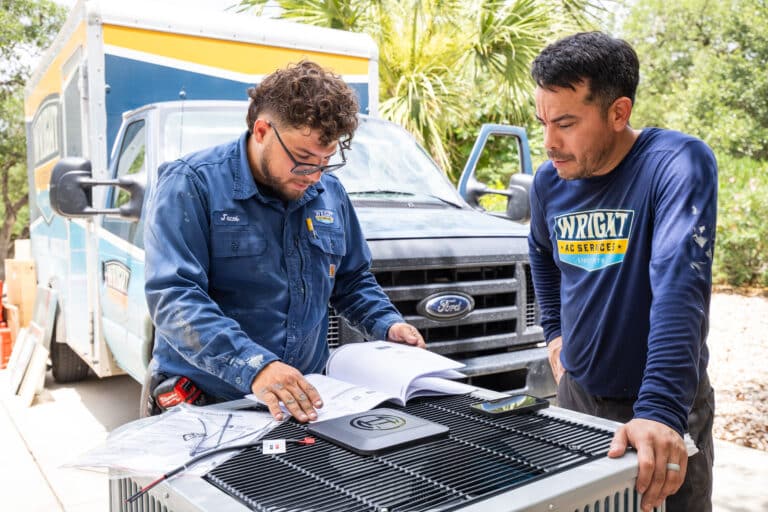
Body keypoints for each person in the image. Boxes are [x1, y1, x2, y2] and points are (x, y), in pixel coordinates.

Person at [142, 60, 425, 423]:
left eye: (326, 161)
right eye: (304, 160)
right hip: (207, 404)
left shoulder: (329, 193)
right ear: (262, 131)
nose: (314, 175)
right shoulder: (191, 184)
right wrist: (256, 367)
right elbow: (175, 298)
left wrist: (386, 323)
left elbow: (351, 279)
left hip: (302, 399)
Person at [527, 32, 716, 511]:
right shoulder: (551, 181)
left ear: (618, 112)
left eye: (566, 123)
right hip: (578, 397)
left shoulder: (674, 164)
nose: (550, 142)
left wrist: (659, 412)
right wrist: (554, 334)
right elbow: (541, 257)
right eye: (543, 122)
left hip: (663, 402)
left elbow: (680, 284)